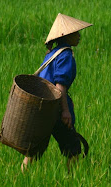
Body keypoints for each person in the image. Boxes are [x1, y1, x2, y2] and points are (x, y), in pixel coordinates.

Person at [21, 13, 92, 172]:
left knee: (33, 150)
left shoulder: (51, 55)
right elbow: (60, 87)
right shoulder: (65, 55)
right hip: (55, 108)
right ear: (66, 36)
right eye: (76, 33)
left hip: (42, 108)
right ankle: (71, 179)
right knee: (73, 149)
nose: (79, 36)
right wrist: (65, 111)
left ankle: (21, 178)